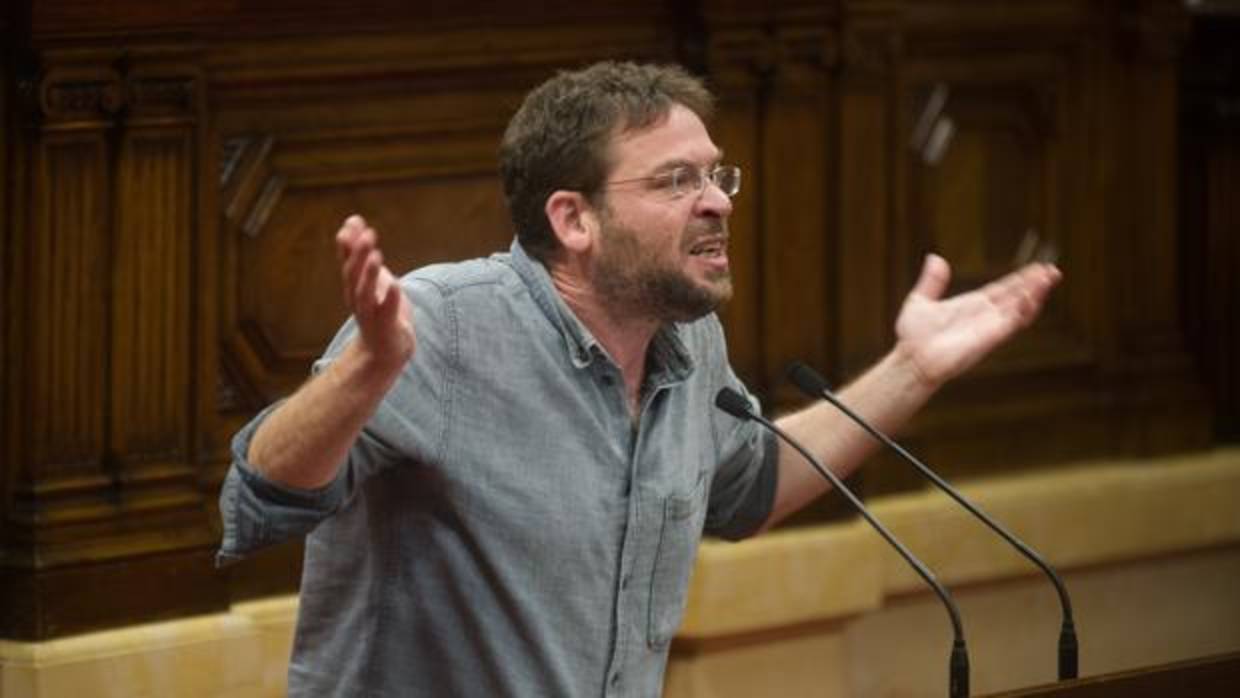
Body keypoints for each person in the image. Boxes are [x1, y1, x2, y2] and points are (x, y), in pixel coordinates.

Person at [217, 61, 1061, 697]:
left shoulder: (690, 351)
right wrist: (362, 376)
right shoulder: (442, 326)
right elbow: (259, 494)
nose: (719, 202)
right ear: (573, 218)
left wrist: (912, 369)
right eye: (676, 180)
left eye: (717, 175)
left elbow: (752, 485)